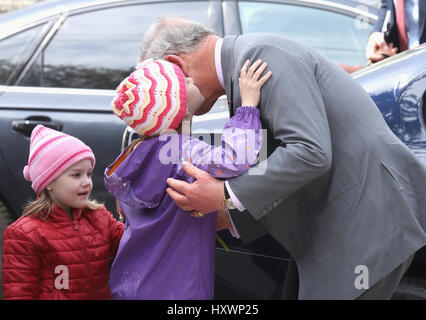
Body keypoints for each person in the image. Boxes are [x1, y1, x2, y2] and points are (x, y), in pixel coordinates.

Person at [139, 17, 426, 300]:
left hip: (365, 222)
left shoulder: (260, 58)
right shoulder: (245, 68)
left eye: (164, 90)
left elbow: (310, 153)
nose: (170, 107)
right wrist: (227, 214)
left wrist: (225, 195)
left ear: (177, 67)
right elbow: (280, 171)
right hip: (344, 225)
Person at [104, 58, 271, 299]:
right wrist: (248, 107)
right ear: (178, 108)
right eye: (184, 81)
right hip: (180, 291)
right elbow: (235, 160)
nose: (191, 78)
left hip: (135, 285)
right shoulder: (179, 151)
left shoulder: (138, 153)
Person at [2, 125, 124, 300]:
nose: (87, 182)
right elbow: (19, 293)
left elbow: (134, 243)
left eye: (88, 174)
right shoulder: (24, 234)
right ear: (49, 181)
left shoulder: (100, 218)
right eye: (76, 175)